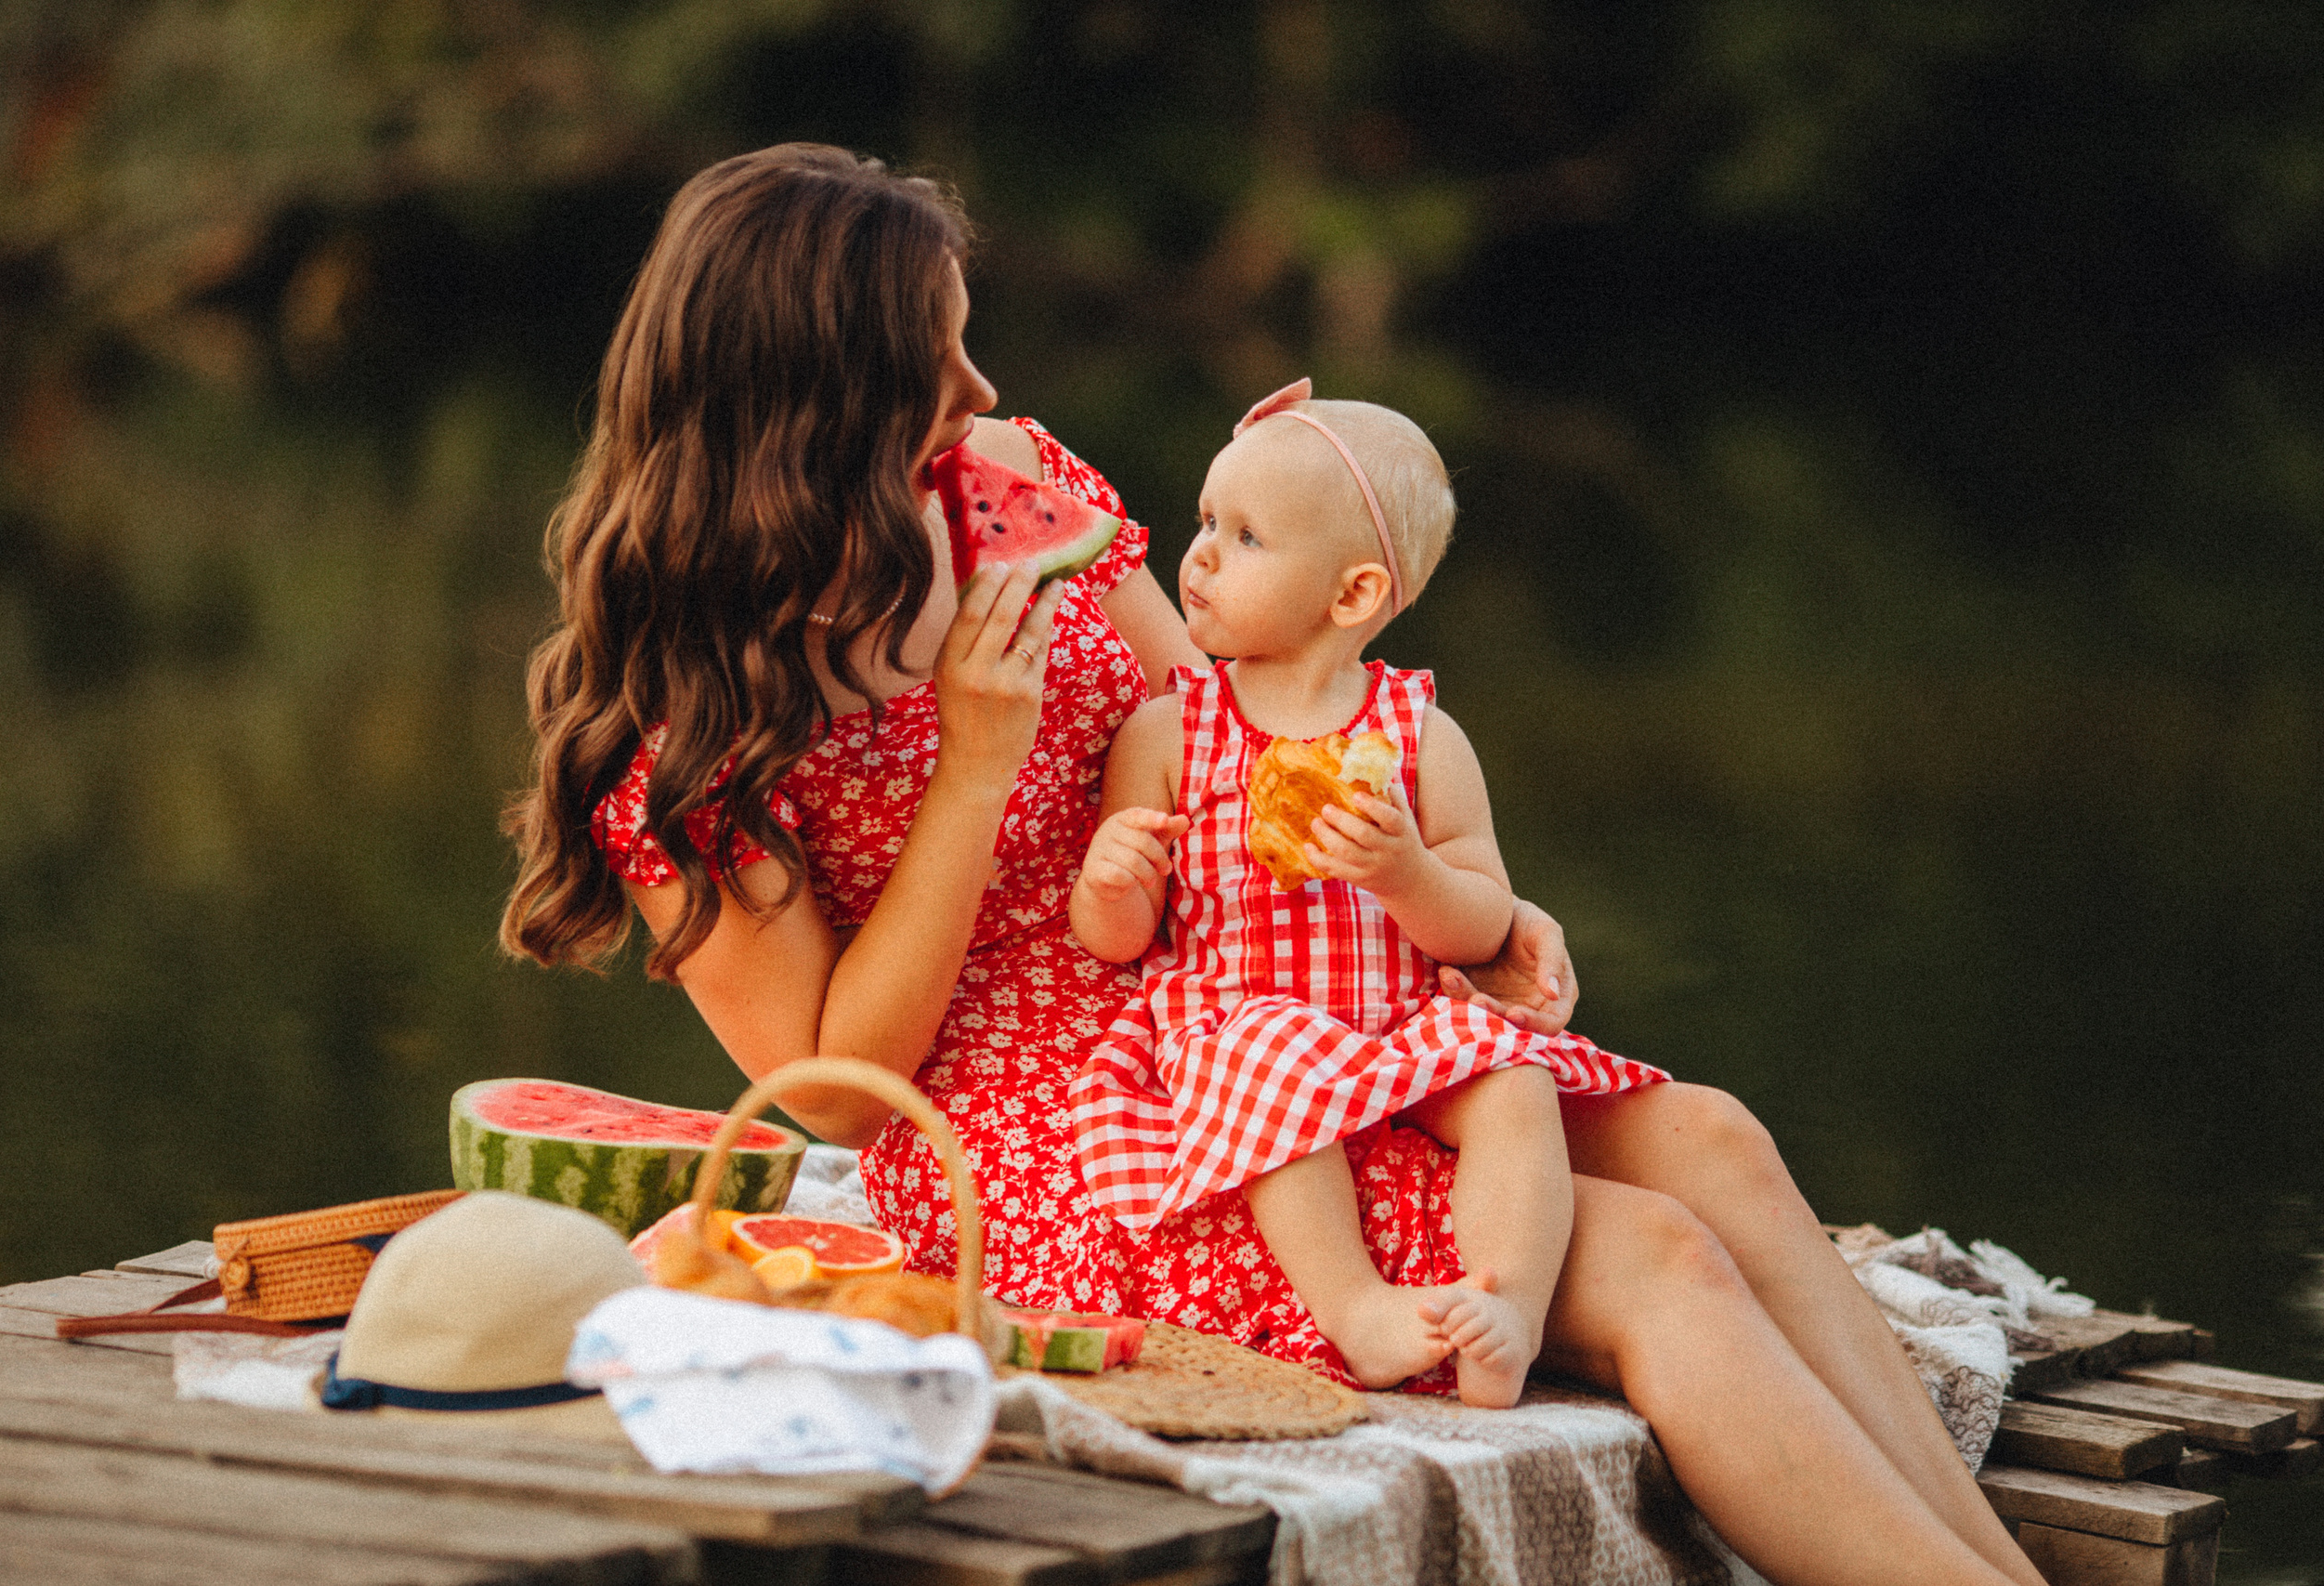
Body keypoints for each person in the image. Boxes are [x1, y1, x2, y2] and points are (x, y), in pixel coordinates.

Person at [502, 143, 2045, 1586]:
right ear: (809, 403)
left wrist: (1451, 899)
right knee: (1652, 1259)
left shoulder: (1000, 484)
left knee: (1710, 1140)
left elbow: (1230, 727)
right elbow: (832, 1094)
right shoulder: (683, 727)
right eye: (936, 357)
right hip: (1040, 1143)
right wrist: (975, 766)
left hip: (1239, 998)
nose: (979, 386)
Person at [1067, 385, 1667, 1406]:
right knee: (1272, 1079)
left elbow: (1483, 923)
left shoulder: (1419, 738)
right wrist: (1111, 879)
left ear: (1351, 597)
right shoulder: (1172, 732)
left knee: (1514, 1081)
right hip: (1240, 1020)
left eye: (1246, 537)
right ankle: (1361, 1313)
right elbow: (1116, 943)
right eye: (1208, 520)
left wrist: (1405, 873)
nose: (1200, 554)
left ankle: (1504, 1311)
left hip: (1394, 1018)